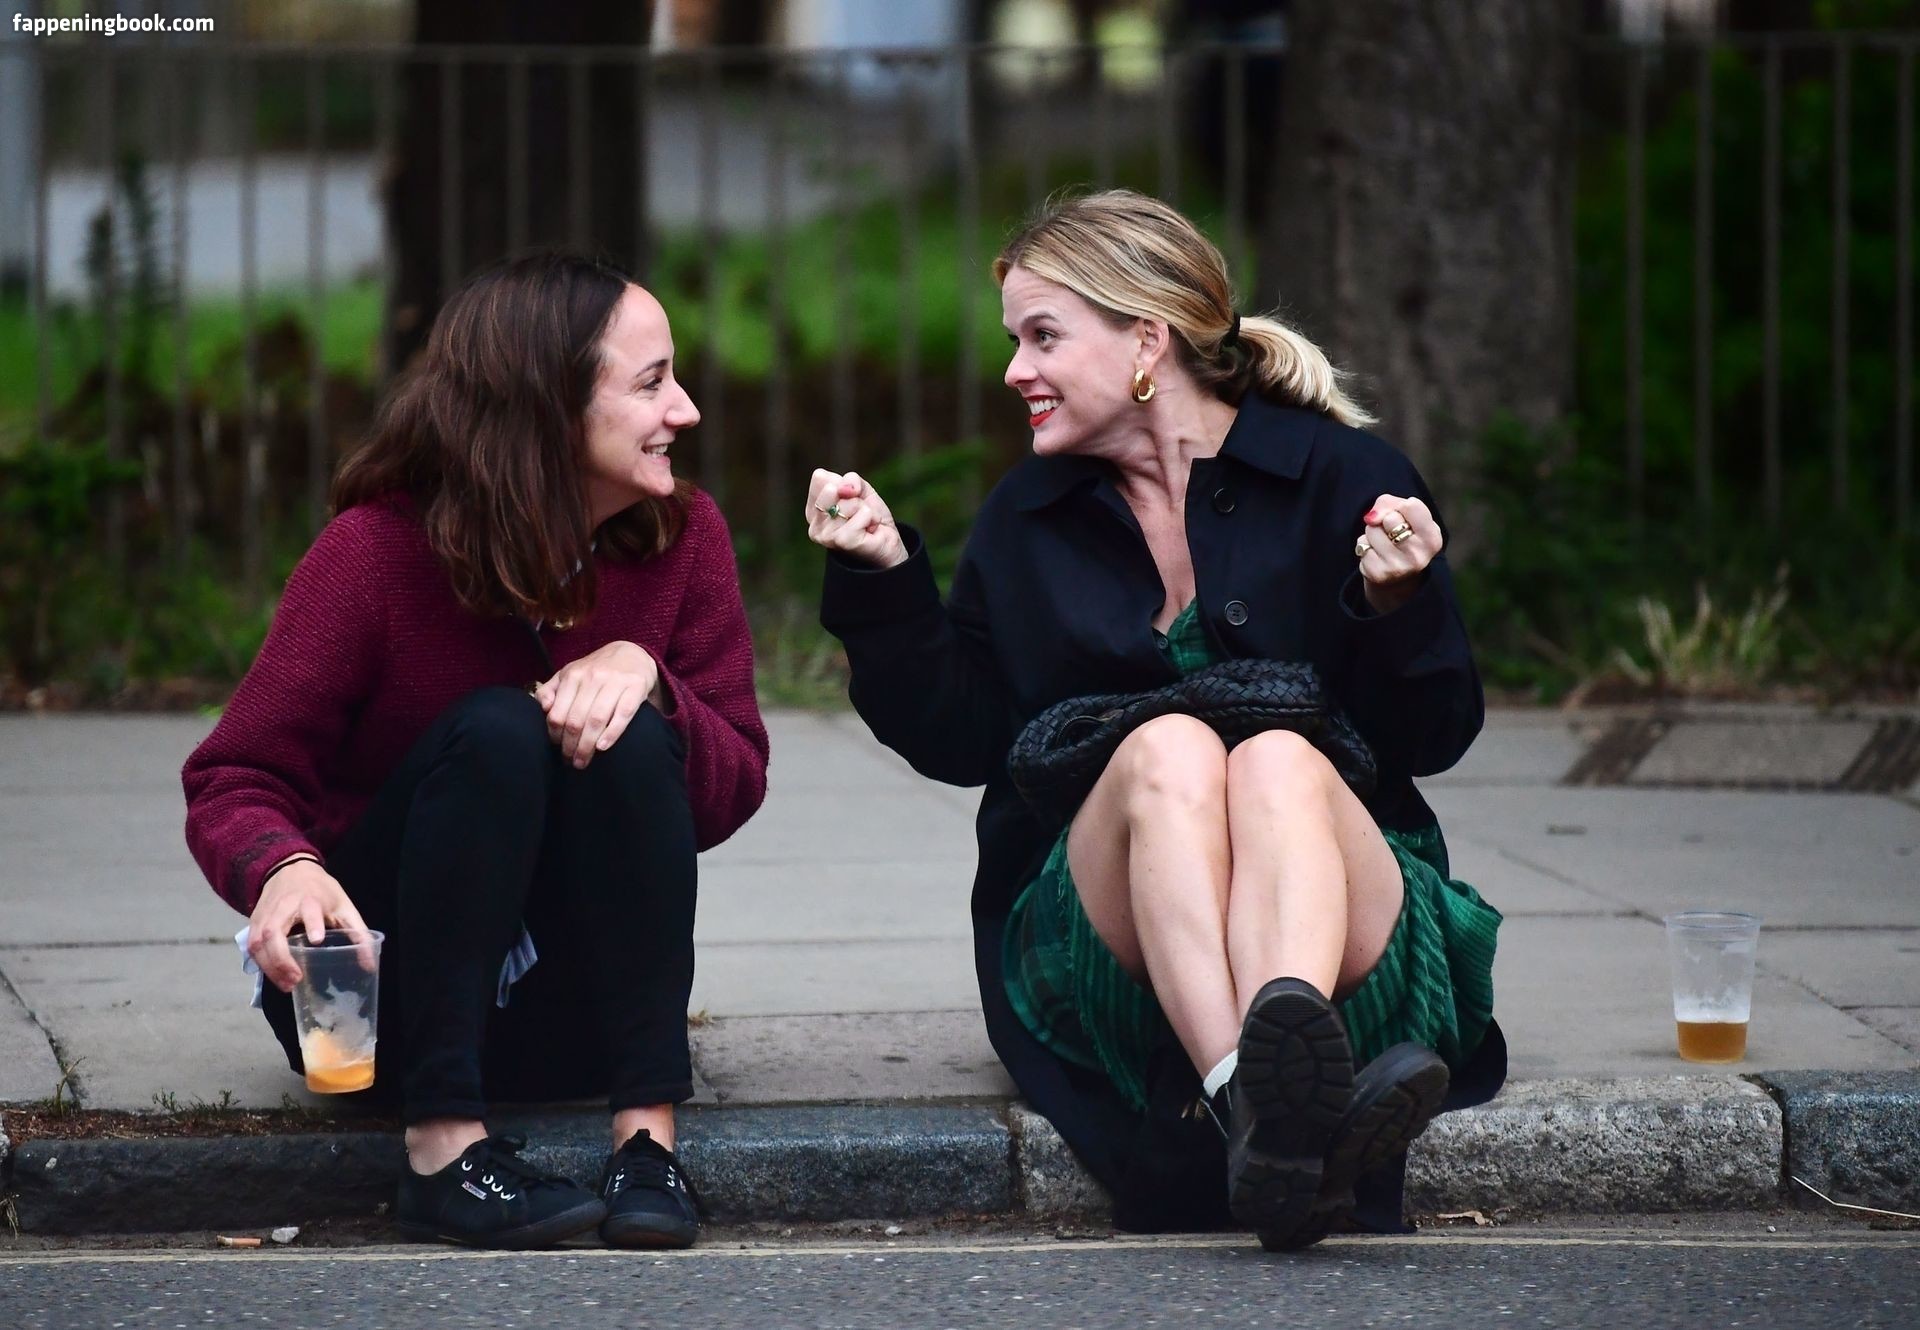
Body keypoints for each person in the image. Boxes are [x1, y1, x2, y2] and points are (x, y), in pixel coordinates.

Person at [808, 190, 1504, 1249]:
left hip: (1341, 915)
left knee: (1276, 756)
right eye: (1014, 341)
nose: (1015, 371)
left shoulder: (1345, 481)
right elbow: (962, 737)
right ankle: (1264, 1106)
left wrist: (1398, 606)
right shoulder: (1029, 518)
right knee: (1168, 747)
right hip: (1115, 939)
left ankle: (1266, 1109)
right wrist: (885, 577)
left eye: (1044, 337)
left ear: (1147, 339)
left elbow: (1432, 737)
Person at [182, 252, 769, 1250]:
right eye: (651, 382)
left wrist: (648, 677)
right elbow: (235, 775)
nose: (686, 409)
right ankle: (442, 1150)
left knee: (627, 722)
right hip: (372, 1023)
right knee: (499, 729)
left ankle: (647, 1143)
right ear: (549, 409)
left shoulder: (683, 538)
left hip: (571, 1024)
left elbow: (732, 783)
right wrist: (282, 867)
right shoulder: (373, 554)